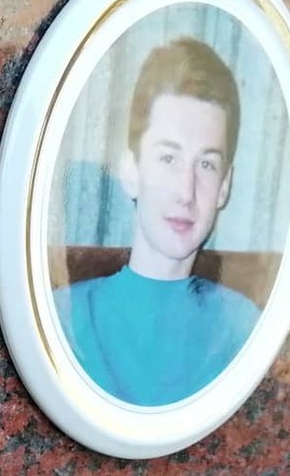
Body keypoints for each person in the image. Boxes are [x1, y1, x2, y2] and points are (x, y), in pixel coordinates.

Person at [55, 38, 260, 407]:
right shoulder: (66, 315)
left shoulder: (243, 326)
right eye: (169, 158)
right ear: (131, 170)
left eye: (206, 164)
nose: (186, 191)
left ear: (225, 187)